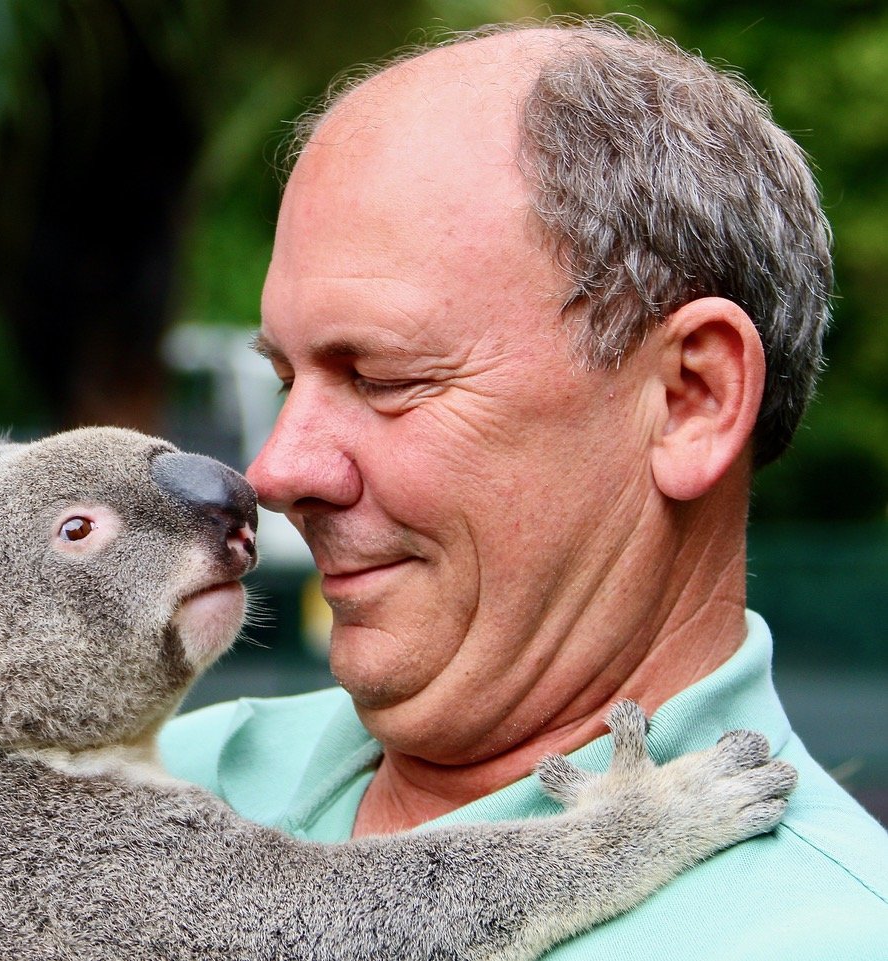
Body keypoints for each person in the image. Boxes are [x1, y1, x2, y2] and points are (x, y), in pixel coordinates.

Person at [158, 16, 888, 957]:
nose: (274, 470)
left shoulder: (815, 933)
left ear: (691, 399)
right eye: (287, 379)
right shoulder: (154, 773)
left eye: (383, 378)